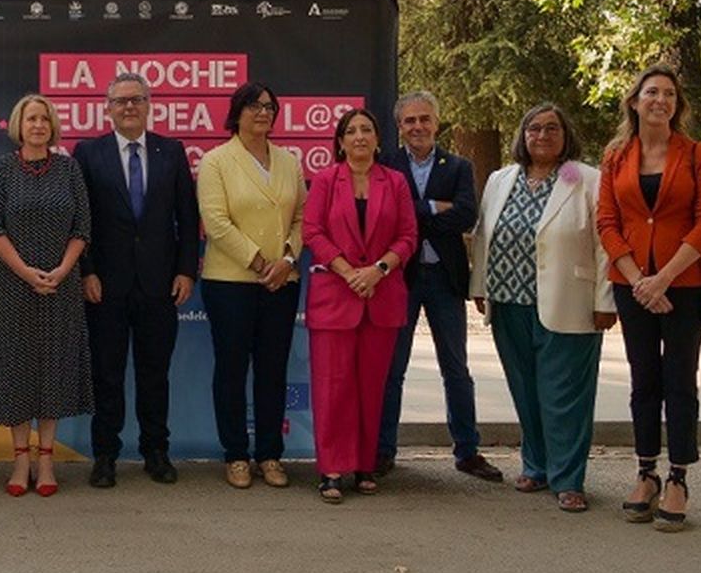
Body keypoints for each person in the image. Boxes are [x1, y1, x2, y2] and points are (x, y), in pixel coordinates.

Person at [471, 104, 617, 513]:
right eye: (533, 128)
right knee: (526, 390)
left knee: (564, 395)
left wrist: (606, 299)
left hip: (569, 302)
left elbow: (607, 244)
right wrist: (479, 284)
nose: (542, 135)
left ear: (565, 134)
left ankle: (568, 479)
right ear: (523, 135)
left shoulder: (587, 180)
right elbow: (485, 235)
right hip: (508, 301)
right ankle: (535, 466)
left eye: (552, 128)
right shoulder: (501, 179)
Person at [597, 64, 701, 532]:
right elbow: (607, 222)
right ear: (635, 101)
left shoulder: (696, 154)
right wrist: (638, 279)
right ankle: (646, 472)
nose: (660, 100)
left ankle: (679, 478)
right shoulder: (616, 157)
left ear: (677, 105)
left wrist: (664, 278)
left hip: (684, 286)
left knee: (680, 381)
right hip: (632, 285)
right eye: (651, 92)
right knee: (643, 379)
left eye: (669, 94)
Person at [76, 72, 199, 488]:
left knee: (154, 373)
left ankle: (156, 451)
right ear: (107, 109)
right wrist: (86, 271)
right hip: (105, 286)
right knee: (106, 374)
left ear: (149, 106)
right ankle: (105, 454)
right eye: (120, 101)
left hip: (160, 283)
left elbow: (188, 216)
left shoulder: (172, 152)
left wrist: (186, 270)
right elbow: (81, 220)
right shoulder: (88, 153)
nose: (129, 107)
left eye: (137, 100)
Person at [376, 91, 500, 481]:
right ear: (399, 127)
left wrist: (413, 211)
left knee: (456, 368)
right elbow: (385, 215)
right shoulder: (386, 164)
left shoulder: (458, 166)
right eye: (410, 121)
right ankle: (382, 450)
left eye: (424, 119)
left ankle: (467, 451)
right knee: (392, 369)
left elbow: (466, 215)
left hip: (445, 279)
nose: (418, 127)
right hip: (401, 277)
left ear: (437, 123)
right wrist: (434, 206)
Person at [0, 94, 92, 497]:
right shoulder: (1, 170)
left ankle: (46, 461)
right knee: (16, 369)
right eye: (31, 118)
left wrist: (61, 270)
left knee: (51, 370)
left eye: (44, 118)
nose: (38, 125)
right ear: (18, 126)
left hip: (60, 285)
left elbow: (82, 228)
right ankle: (20, 458)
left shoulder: (69, 169)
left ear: (52, 125)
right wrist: (26, 272)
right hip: (11, 285)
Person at [302, 107, 417, 503]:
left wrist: (378, 270)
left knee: (372, 386)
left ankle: (365, 465)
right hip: (336, 296)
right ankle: (332, 469)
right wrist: (349, 271)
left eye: (367, 129)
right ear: (340, 141)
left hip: (380, 297)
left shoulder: (396, 182)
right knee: (333, 388)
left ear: (378, 139)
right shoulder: (325, 181)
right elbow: (312, 231)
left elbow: (408, 236)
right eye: (351, 131)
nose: (360, 137)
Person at [195, 81, 305, 490]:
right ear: (237, 112)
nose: (263, 113)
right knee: (231, 369)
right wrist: (261, 262)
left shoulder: (289, 162)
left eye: (269, 106)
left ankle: (270, 455)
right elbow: (216, 222)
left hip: (282, 281)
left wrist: (287, 259)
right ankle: (237, 454)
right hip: (231, 282)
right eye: (254, 106)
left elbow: (303, 218)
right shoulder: (216, 162)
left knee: (273, 371)